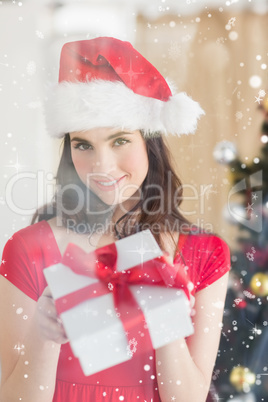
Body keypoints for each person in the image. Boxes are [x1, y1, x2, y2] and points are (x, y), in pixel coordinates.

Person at [0, 37, 230, 402]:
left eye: (120, 140)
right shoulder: (29, 249)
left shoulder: (205, 254)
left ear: (148, 142)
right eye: (83, 145)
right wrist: (42, 336)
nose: (101, 167)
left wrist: (164, 317)